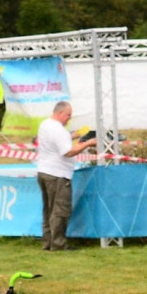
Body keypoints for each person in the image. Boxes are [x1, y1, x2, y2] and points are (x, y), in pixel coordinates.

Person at [34, 101, 96, 252]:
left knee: (48, 210)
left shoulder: (45, 125)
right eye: (68, 115)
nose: (69, 118)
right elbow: (67, 152)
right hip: (58, 175)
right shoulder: (58, 130)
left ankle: (48, 243)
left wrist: (75, 135)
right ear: (60, 113)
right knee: (60, 211)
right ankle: (59, 244)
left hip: (44, 171)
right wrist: (88, 143)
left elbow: (59, 141)